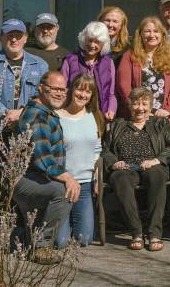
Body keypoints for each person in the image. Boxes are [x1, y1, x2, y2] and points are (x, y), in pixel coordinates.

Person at [101, 86, 170, 251]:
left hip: (152, 165)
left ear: (151, 106)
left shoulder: (160, 123)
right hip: (126, 167)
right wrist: (114, 162)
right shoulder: (117, 125)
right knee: (119, 178)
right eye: (136, 104)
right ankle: (136, 232)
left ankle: (154, 233)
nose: (140, 108)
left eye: (144, 104)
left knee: (157, 174)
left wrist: (157, 160)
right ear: (129, 105)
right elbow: (105, 149)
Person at [12, 71, 79, 259]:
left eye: (63, 90)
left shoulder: (46, 113)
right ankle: (41, 247)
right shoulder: (37, 117)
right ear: (41, 88)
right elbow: (43, 160)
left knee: (60, 238)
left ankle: (26, 240)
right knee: (64, 191)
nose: (59, 93)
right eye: (54, 89)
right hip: (25, 179)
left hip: (37, 178)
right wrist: (68, 178)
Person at [55, 73, 104, 248]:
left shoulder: (95, 116)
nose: (83, 95)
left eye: (88, 92)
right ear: (71, 90)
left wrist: (96, 177)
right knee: (60, 243)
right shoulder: (56, 116)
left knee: (84, 239)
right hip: (61, 184)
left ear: (92, 96)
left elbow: (97, 150)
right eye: (79, 89)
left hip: (84, 185)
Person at [0, 19, 48, 128]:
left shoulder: (40, 65)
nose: (14, 39)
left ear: (25, 38)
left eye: (18, 36)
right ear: (1, 38)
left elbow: (44, 97)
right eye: (9, 35)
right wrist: (6, 114)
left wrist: (23, 113)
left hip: (30, 127)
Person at [117, 16, 170, 135]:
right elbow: (124, 86)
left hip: (163, 117)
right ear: (140, 34)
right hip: (137, 117)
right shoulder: (129, 56)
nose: (152, 35)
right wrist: (138, 108)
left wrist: (168, 109)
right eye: (147, 31)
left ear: (162, 35)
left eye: (156, 31)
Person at [61, 21, 117, 121]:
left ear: (103, 44)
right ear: (84, 39)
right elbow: (63, 89)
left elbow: (111, 93)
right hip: (73, 114)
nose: (92, 45)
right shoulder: (70, 60)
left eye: (97, 42)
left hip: (100, 115)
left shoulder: (108, 63)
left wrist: (111, 109)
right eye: (89, 40)